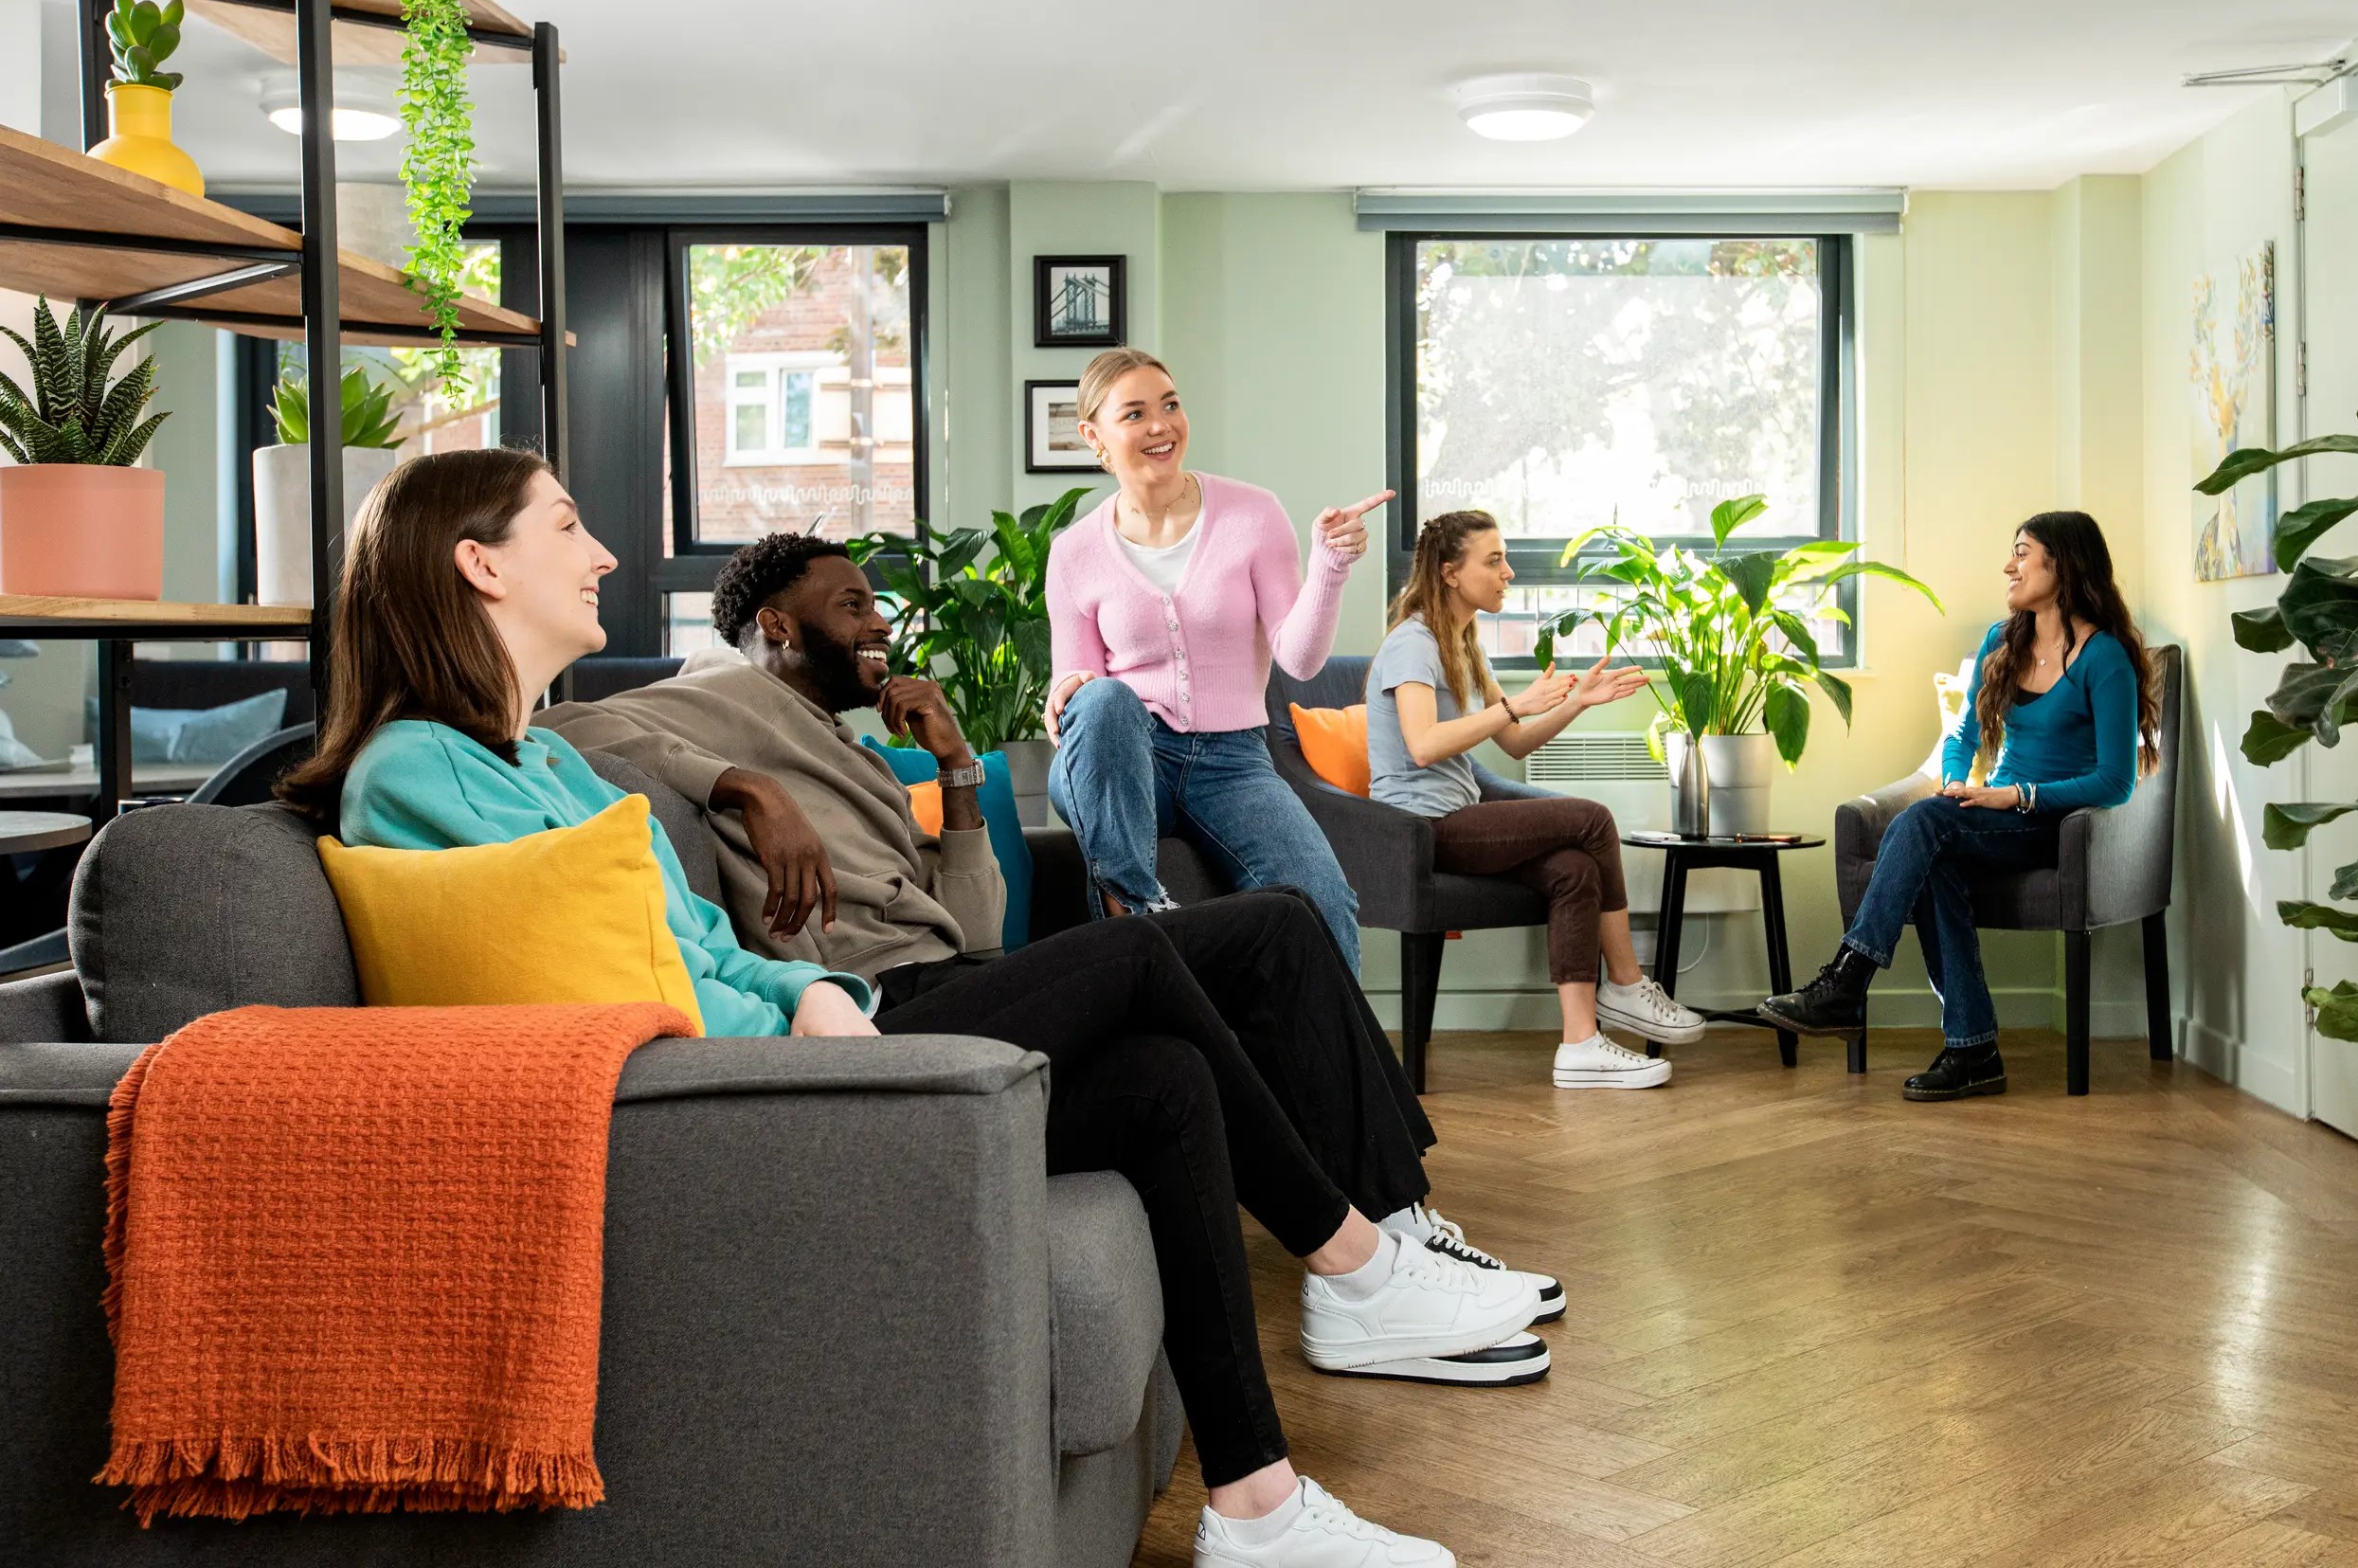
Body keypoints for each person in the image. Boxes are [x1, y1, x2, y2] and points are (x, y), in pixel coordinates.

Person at [281, 448, 1530, 1568]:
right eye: (565, 527)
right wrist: (767, 880)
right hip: (728, 1104)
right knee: (1169, 957)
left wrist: (814, 982)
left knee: (1165, 1080)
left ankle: (1256, 1509)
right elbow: (595, 999)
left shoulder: (544, 762)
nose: (604, 552)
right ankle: (1362, 1263)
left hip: (815, 1037)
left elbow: (708, 945)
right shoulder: (415, 773)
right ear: (477, 566)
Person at [537, 530, 1564, 1343]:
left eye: (874, 601)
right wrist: (741, 784)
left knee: (1273, 938)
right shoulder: (723, 697)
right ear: (775, 623)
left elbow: (972, 920)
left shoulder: (849, 743)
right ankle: (1383, 1240)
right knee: (1254, 930)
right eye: (849, 603)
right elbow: (571, 728)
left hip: (952, 972)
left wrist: (950, 766)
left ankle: (1391, 1232)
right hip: (876, 1008)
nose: (876, 620)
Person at [1757, 511, 2156, 1100]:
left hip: (2053, 825)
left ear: (2063, 564)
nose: (2009, 565)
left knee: (1921, 827)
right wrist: (1953, 783)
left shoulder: (2106, 658)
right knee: (1934, 857)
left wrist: (2014, 794)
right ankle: (1974, 1051)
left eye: (2022, 552)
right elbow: (1963, 737)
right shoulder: (2003, 639)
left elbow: (2116, 782)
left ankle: (1847, 983)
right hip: (1992, 818)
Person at [1044, 346, 1381, 967]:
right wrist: (1069, 689)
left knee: (1326, 900)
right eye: (1136, 413)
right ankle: (1140, 910)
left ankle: (1330, 1064)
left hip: (1232, 761)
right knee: (1104, 698)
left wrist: (1331, 567)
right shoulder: (1073, 552)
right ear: (1094, 436)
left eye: (1170, 405)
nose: (1160, 425)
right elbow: (1074, 686)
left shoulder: (1252, 515)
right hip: (1124, 754)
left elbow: (1300, 661)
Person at [1369, 511, 1706, 1090]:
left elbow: (1515, 738)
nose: (1508, 573)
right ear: (1451, 573)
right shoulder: (1413, 645)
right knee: (1593, 820)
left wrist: (1577, 703)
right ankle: (1625, 984)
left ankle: (1580, 1045)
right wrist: (1514, 706)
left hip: (1458, 815)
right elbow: (1423, 746)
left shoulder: (1464, 643)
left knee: (1574, 869)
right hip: (1420, 826)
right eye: (1493, 560)